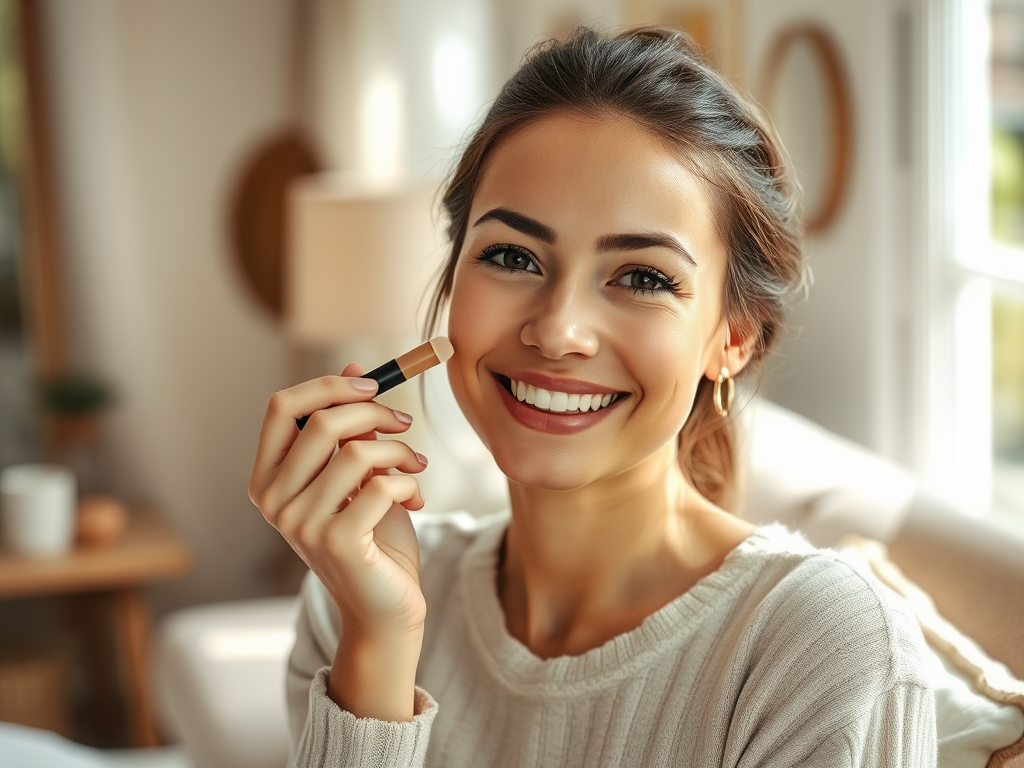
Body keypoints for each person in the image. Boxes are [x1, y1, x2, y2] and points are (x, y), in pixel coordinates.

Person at [248, 25, 937, 768]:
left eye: (642, 277)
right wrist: (381, 644)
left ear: (732, 337)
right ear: (453, 281)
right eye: (512, 257)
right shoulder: (353, 596)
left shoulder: (821, 646)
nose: (559, 330)